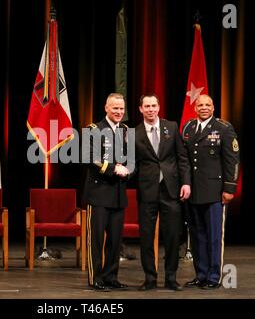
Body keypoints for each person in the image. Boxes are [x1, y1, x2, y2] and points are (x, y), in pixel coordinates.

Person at [182, 94, 240, 290]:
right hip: (194, 192)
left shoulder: (224, 128)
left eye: (208, 104)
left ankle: (214, 276)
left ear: (213, 108)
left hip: (215, 192)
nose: (204, 107)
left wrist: (229, 188)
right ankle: (201, 274)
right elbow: (186, 161)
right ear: (195, 108)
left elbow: (232, 160)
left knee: (214, 236)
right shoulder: (188, 128)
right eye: (200, 105)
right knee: (197, 235)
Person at [134, 94, 191, 291]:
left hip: (171, 190)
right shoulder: (134, 133)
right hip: (147, 191)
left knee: (172, 236)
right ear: (141, 109)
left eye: (154, 105)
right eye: (147, 106)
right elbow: (133, 163)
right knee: (147, 237)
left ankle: (171, 278)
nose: (151, 109)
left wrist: (186, 183)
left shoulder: (172, 127)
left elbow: (182, 158)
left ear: (159, 107)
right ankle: (150, 278)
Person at [83, 93, 131, 291]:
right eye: (115, 108)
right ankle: (96, 278)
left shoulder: (127, 130)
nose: (119, 112)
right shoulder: (92, 130)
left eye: (121, 109)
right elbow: (90, 158)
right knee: (96, 240)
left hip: (119, 194)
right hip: (99, 193)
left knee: (115, 239)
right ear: (106, 108)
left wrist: (128, 168)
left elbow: (132, 159)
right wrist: (114, 168)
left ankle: (111, 276)